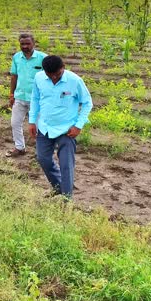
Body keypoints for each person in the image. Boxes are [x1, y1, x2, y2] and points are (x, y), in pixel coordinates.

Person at [28, 55, 92, 199]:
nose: (54, 78)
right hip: (44, 127)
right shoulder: (39, 78)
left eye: (57, 74)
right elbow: (35, 99)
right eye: (50, 76)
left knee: (66, 165)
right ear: (45, 72)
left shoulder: (74, 81)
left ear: (63, 68)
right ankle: (59, 187)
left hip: (67, 130)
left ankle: (66, 199)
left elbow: (87, 103)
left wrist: (78, 125)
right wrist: (32, 121)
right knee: (43, 159)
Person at [7, 33, 47, 157]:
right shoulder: (17, 57)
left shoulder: (43, 58)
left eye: (27, 43)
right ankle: (19, 147)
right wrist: (11, 94)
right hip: (20, 96)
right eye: (22, 44)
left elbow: (49, 77)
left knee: (39, 126)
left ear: (33, 43)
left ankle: (41, 151)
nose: (24, 46)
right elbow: (14, 76)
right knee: (15, 123)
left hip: (37, 98)